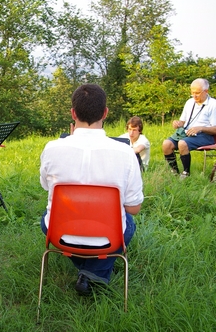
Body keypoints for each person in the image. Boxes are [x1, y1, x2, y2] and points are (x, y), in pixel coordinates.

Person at [39, 84, 144, 296]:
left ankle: (88, 271)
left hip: (59, 233)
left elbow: (45, 187)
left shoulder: (51, 148)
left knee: (46, 217)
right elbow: (134, 208)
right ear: (105, 113)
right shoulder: (125, 152)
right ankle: (95, 271)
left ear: (73, 113)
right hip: (109, 236)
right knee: (128, 224)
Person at [162, 78, 216, 178]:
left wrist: (201, 128)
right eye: (192, 93)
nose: (194, 96)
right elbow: (183, 122)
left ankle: (186, 173)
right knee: (166, 144)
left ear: (206, 91)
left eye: (197, 93)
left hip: (206, 136)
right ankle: (174, 172)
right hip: (187, 133)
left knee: (182, 143)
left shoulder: (213, 104)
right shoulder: (189, 102)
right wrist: (178, 123)